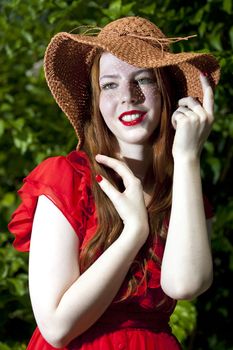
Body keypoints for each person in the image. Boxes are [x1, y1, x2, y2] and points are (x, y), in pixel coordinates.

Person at [8, 16, 220, 350]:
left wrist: (188, 158)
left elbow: (185, 284)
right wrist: (133, 233)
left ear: (167, 92)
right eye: (109, 84)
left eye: (143, 79)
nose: (128, 96)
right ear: (95, 101)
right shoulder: (66, 179)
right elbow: (56, 328)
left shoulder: (184, 191)